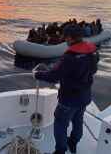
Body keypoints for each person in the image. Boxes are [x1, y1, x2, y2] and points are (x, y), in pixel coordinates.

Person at [34, 24, 99, 154]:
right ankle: (73, 143)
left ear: (70, 38)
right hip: (85, 96)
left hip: (69, 99)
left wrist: (37, 74)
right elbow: (93, 70)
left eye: (65, 37)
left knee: (60, 124)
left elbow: (54, 76)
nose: (65, 40)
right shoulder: (93, 51)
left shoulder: (69, 57)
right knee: (78, 120)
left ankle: (60, 151)